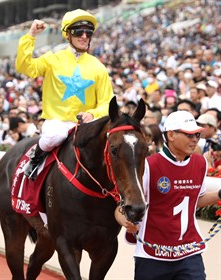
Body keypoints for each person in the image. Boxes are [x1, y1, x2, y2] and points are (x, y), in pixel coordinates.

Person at [115, 110, 221, 280]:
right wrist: (127, 222)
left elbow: (195, 201)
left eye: (197, 134)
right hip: (153, 254)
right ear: (170, 135)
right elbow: (121, 207)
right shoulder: (149, 165)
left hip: (189, 251)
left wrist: (219, 194)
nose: (195, 139)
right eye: (189, 134)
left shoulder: (200, 163)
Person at [15, 9, 114, 180]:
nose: (84, 36)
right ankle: (34, 160)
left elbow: (108, 103)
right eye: (78, 32)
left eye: (88, 32)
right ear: (67, 35)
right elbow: (25, 67)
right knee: (56, 135)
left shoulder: (99, 67)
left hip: (87, 127)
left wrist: (92, 114)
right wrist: (31, 35)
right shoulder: (52, 59)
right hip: (57, 123)